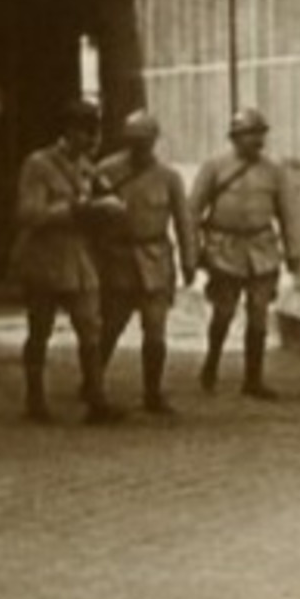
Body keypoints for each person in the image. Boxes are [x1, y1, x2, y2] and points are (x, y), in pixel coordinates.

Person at [9, 99, 126, 424]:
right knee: (40, 328)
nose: (91, 141)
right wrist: (77, 211)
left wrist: (109, 208)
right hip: (44, 257)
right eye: (85, 133)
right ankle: (35, 401)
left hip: (79, 257)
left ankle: (97, 399)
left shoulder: (87, 167)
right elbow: (28, 213)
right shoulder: (38, 164)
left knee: (91, 327)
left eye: (94, 133)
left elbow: (103, 199)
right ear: (68, 132)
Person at [93, 109, 198, 415]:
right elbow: (91, 219)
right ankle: (93, 382)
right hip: (118, 260)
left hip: (155, 261)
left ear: (154, 141)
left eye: (145, 140)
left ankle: (152, 392)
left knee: (155, 330)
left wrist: (189, 260)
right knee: (110, 327)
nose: (139, 146)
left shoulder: (169, 178)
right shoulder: (107, 171)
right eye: (133, 140)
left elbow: (183, 221)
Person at [189, 107, 297, 400]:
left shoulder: (274, 170)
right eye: (249, 135)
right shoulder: (215, 167)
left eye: (260, 134)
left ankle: (253, 378)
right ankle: (212, 361)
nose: (256, 141)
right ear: (234, 137)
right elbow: (193, 210)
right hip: (225, 248)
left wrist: (293, 249)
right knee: (223, 312)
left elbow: (287, 212)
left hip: (262, 248)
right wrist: (193, 251)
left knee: (259, 315)